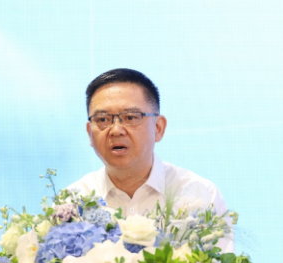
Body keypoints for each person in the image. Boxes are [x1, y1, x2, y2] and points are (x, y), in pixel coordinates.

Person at [68, 68, 234, 252]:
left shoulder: (200, 195)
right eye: (102, 119)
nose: (116, 130)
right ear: (89, 133)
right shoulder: (71, 204)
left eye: (130, 117)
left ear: (158, 128)